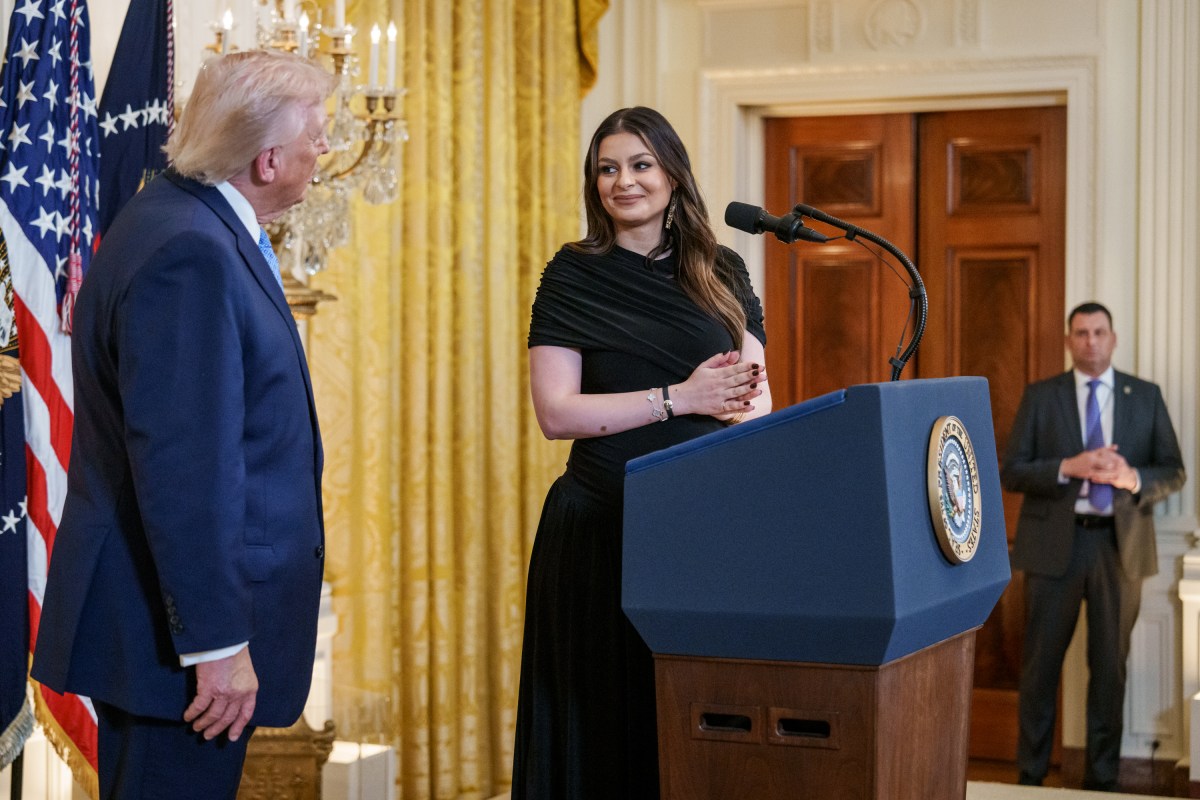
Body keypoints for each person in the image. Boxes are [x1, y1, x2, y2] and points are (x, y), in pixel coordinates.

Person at [31, 50, 336, 799]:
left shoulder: (179, 219)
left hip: (164, 628)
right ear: (268, 160)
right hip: (174, 644)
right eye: (317, 137)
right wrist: (218, 643)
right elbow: (186, 468)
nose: (324, 151)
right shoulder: (190, 252)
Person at [512, 106, 772, 798]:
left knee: (688, 726)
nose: (622, 181)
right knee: (599, 726)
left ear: (672, 174)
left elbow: (758, 397)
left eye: (639, 165)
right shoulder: (572, 272)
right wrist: (680, 398)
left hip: (701, 532)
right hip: (600, 528)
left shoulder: (725, 270)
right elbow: (554, 413)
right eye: (607, 168)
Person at [1002, 301, 1185, 791]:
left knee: (1109, 672)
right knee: (1040, 671)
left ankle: (1101, 783)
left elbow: (1174, 470)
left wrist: (1132, 478)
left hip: (1118, 551)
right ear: (1069, 341)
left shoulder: (1144, 396)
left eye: (1098, 332)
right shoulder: (1042, 396)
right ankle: (1029, 779)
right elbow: (1012, 469)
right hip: (1053, 551)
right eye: (1080, 333)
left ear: (1113, 337)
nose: (1090, 341)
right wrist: (1069, 467)